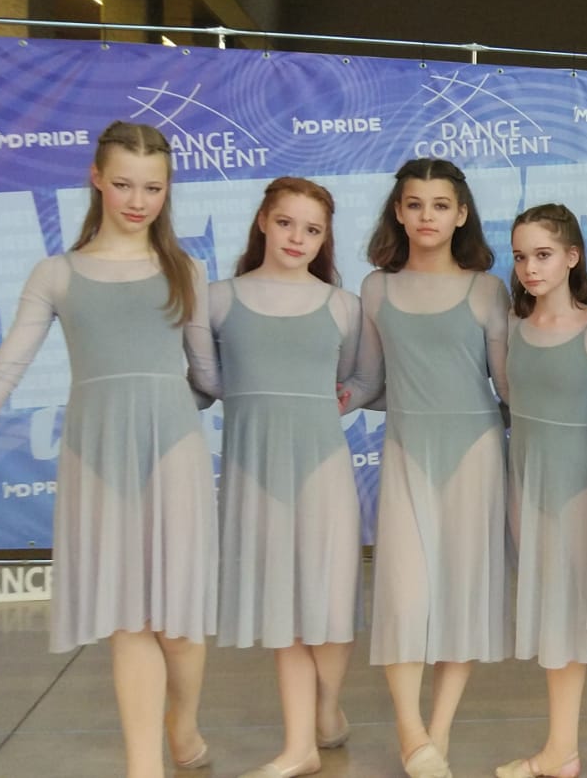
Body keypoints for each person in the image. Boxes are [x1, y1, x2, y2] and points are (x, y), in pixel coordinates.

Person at [0, 122, 216, 778]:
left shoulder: (185, 269)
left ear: (168, 189)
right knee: (129, 618)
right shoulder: (57, 273)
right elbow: (3, 372)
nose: (138, 200)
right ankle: (142, 768)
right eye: (124, 184)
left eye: (153, 187)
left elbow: (207, 375)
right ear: (96, 179)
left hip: (173, 451)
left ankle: (183, 720)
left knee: (178, 624)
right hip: (97, 456)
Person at [343, 158, 512, 778]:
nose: (426, 216)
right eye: (414, 204)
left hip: (476, 454)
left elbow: (507, 386)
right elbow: (368, 379)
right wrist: (325, 397)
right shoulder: (376, 289)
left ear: (461, 214)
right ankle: (409, 731)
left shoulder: (488, 290)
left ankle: (436, 736)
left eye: (440, 205)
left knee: (462, 596)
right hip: (406, 452)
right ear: (398, 210)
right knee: (403, 598)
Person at [190, 177, 361, 778]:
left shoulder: (343, 305)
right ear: (263, 220)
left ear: (324, 238)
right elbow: (209, 381)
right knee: (283, 610)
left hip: (323, 470)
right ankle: (299, 747)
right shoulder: (215, 299)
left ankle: (327, 706)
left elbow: (361, 379)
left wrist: (327, 402)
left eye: (312, 229)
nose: (297, 237)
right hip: (252, 470)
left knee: (328, 603)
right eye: (286, 222)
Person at [494, 203, 587, 778]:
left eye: (543, 255)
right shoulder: (511, 328)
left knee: (573, 613)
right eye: (520, 257)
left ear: (572, 257)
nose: (530, 268)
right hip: (526, 482)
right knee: (559, 612)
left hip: (580, 483)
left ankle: (561, 749)